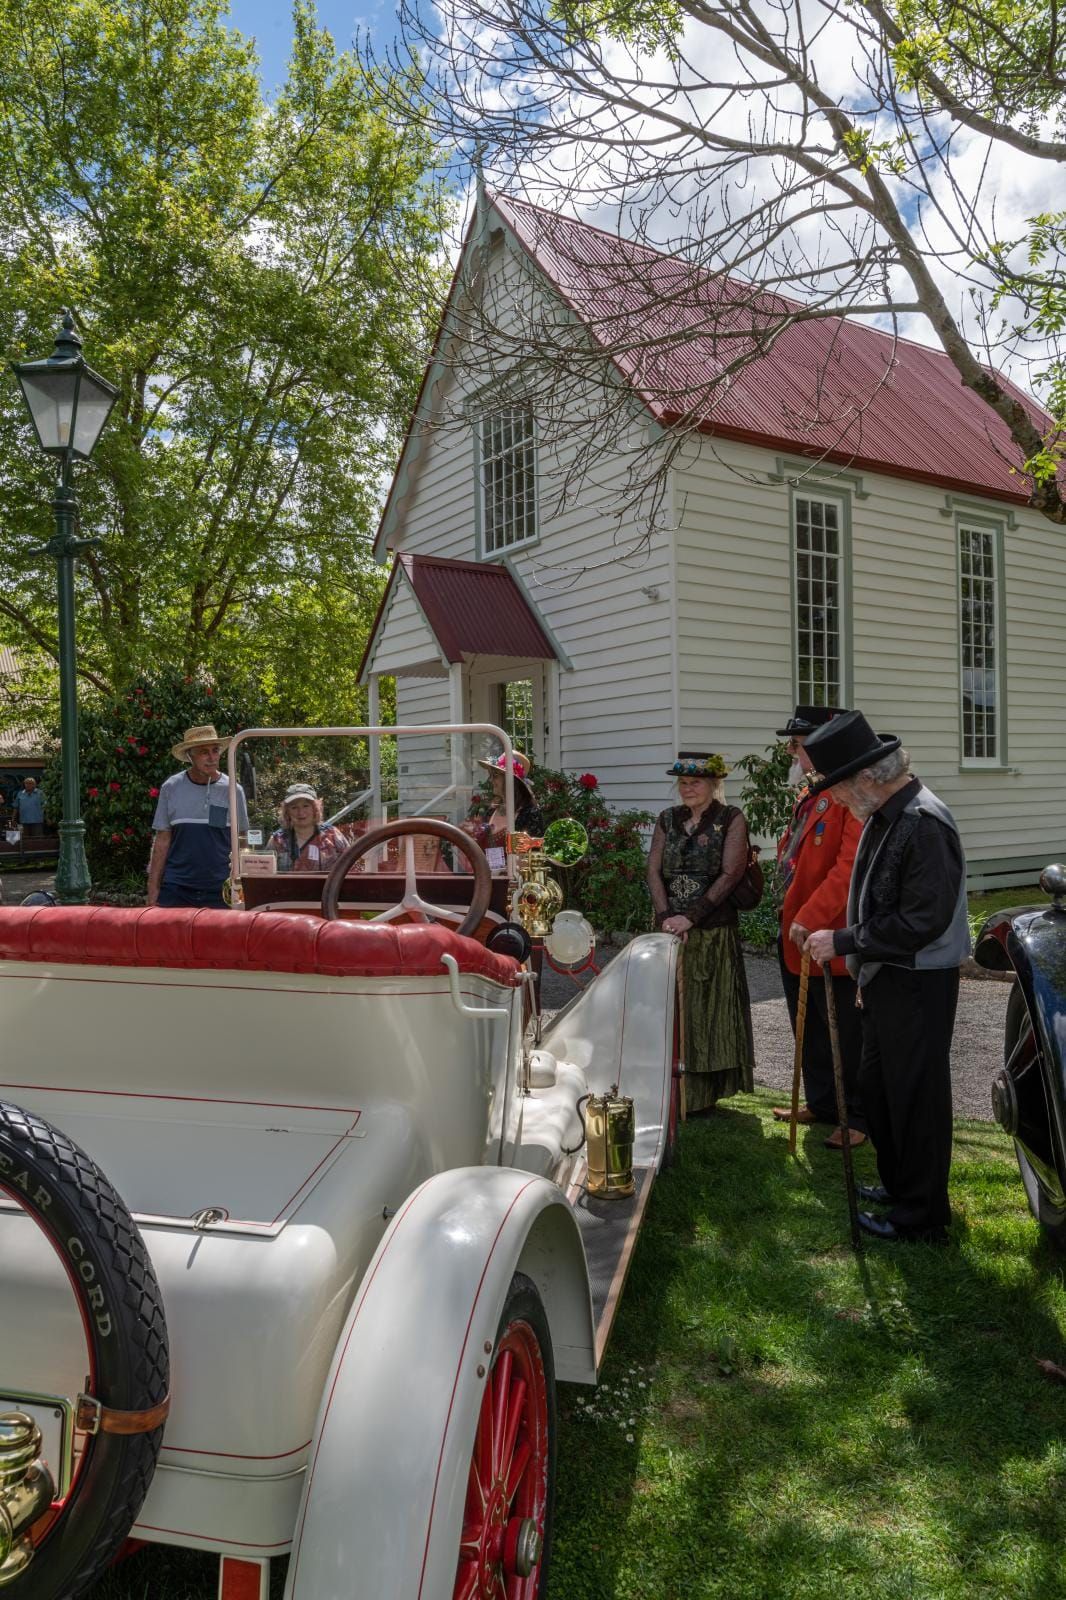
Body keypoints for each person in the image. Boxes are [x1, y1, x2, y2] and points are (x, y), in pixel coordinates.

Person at [803, 711, 969, 1244]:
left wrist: (844, 942)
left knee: (915, 1096)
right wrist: (863, 966)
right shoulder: (887, 813)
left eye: (841, 791)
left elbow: (923, 919)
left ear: (868, 778)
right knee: (883, 1088)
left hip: (919, 982)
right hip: (888, 977)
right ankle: (899, 1188)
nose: (842, 802)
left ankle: (922, 1214)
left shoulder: (923, 822)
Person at [771, 706, 866, 1150]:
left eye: (798, 744)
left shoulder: (851, 797)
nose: (794, 753)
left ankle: (857, 1117)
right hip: (797, 934)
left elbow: (847, 870)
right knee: (807, 1027)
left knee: (845, 1033)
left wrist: (811, 916)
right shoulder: (812, 793)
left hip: (830, 935)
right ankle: (823, 1103)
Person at [647, 751, 755, 1112]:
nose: (688, 788)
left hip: (711, 929)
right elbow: (653, 871)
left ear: (714, 784)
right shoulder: (667, 819)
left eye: (695, 782)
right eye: (683, 782)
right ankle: (669, 1089)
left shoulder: (731, 819)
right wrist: (665, 917)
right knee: (670, 1008)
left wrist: (690, 918)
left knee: (708, 1010)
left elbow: (730, 874)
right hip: (669, 931)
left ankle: (703, 1096)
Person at [147, 724, 248, 909]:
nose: (212, 758)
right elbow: (162, 840)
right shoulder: (171, 787)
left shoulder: (234, 790)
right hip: (177, 887)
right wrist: (153, 890)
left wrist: (243, 889)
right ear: (189, 756)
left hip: (220, 888)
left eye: (215, 751)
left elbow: (242, 843)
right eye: (204, 752)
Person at [461, 749, 544, 870]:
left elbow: (531, 861)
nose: (490, 780)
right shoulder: (491, 811)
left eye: (495, 775)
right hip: (488, 883)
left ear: (512, 781)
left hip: (516, 886)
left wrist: (502, 871)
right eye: (491, 775)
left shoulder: (529, 814)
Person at [269, 783, 351, 872]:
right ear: (287, 812)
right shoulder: (278, 840)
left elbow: (352, 866)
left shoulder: (332, 835)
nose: (301, 812)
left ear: (315, 808)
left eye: (306, 806)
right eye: (294, 807)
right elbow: (265, 873)